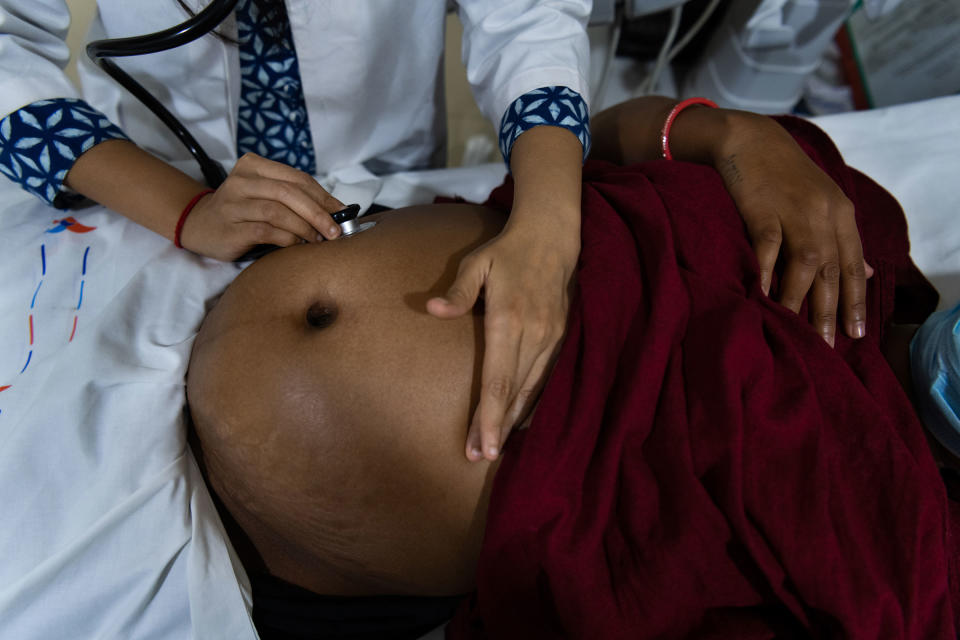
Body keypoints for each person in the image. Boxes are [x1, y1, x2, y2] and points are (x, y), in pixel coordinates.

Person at [187, 97, 960, 638]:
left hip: (252, 555)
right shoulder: (853, 222)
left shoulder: (911, 560)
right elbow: (603, 133)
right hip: (198, 271)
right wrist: (734, 137)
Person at [1, 1, 874, 466]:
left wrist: (547, 226)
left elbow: (528, 21)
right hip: (152, 178)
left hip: (376, 161)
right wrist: (178, 206)